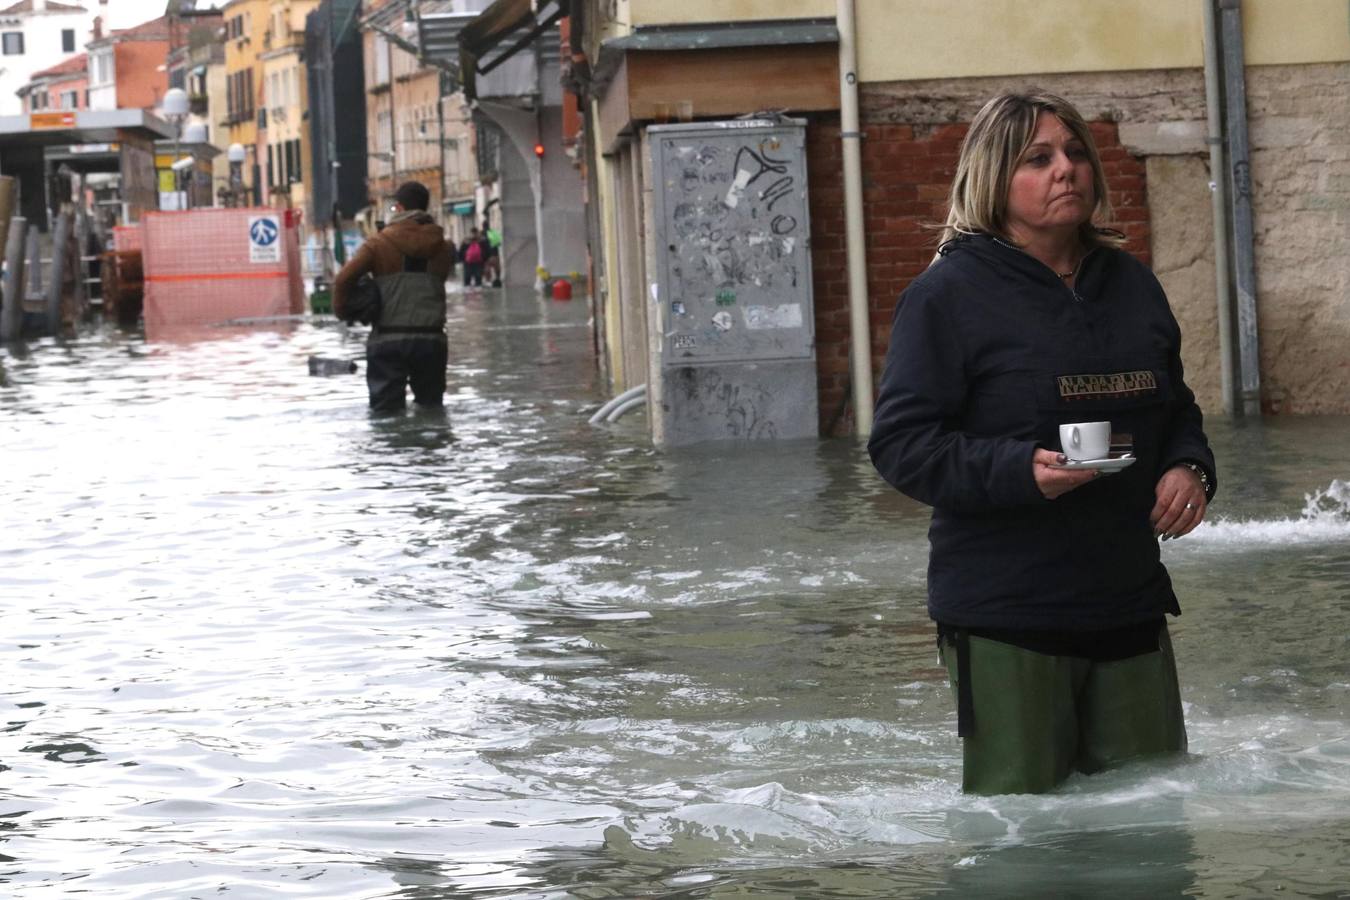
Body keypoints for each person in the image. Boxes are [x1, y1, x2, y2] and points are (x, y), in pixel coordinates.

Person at [867, 92, 1218, 795]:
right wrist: (1018, 469)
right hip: (1008, 614)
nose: (1067, 169)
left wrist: (1190, 467)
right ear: (994, 177)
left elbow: (1176, 408)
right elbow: (902, 444)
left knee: (1150, 817)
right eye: (1039, 158)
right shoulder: (946, 296)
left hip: (1128, 601)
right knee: (1025, 832)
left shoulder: (1133, 285)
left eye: (1076, 152)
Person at [333, 181, 455, 412]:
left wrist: (343, 311)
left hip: (388, 339)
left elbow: (343, 279)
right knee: (431, 410)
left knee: (386, 415)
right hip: (431, 339)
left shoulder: (378, 244)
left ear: (398, 208)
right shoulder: (445, 248)